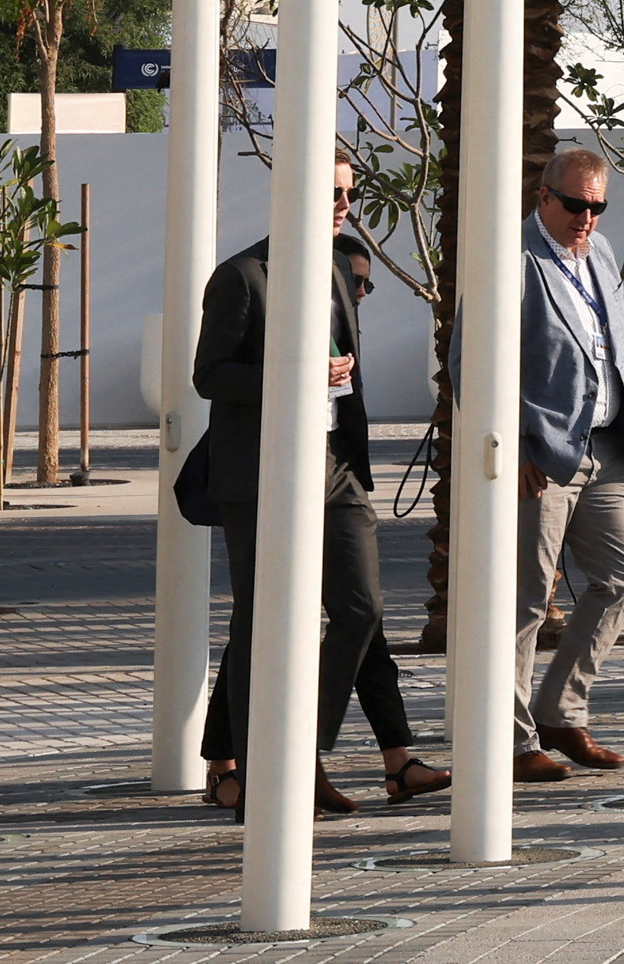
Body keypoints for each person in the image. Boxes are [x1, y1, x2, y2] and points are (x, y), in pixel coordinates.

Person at [183, 146, 448, 816]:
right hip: (263, 472)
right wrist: (298, 372)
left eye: (348, 193)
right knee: (259, 622)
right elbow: (209, 376)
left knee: (362, 609)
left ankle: (301, 751)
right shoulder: (241, 276)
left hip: (334, 467)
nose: (344, 206)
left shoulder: (338, 266)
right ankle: (262, 778)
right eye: (333, 194)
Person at [518, 140, 624, 777]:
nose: (587, 218)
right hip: (541, 454)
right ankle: (515, 742)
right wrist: (513, 442)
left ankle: (560, 711)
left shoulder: (598, 253)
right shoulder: (514, 258)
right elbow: (471, 363)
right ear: (544, 196)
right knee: (523, 600)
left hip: (606, 447)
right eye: (574, 204)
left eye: (597, 206)